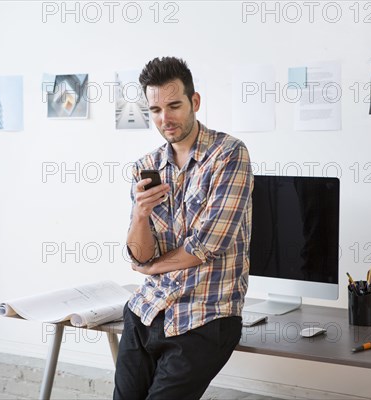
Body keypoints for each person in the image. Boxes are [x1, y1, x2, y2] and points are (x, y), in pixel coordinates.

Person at [113, 56, 254, 399]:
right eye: (156, 109)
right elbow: (139, 252)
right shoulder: (146, 167)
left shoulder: (229, 155)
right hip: (147, 308)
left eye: (174, 105)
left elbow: (207, 245)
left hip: (205, 315)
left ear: (195, 102)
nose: (165, 118)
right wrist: (140, 216)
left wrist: (148, 267)